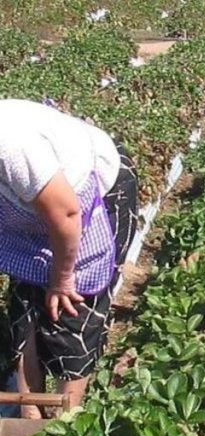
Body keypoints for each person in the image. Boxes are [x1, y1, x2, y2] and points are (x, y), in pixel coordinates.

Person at [0, 98, 138, 417]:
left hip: (91, 200)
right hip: (31, 212)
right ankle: (29, 418)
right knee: (24, 303)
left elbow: (67, 212)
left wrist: (62, 279)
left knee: (74, 306)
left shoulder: (11, 147)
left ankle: (66, 426)